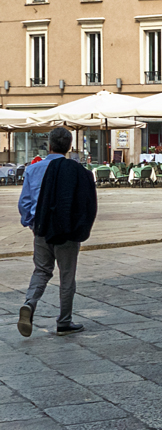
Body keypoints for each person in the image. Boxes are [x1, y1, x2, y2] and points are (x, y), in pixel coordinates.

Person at [17, 127, 97, 337]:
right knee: (67, 276)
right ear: (69, 146)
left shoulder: (33, 169)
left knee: (41, 271)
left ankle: (29, 304)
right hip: (66, 230)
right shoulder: (75, 169)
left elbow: (24, 203)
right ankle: (64, 321)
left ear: (49, 145)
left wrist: (32, 224)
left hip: (41, 229)